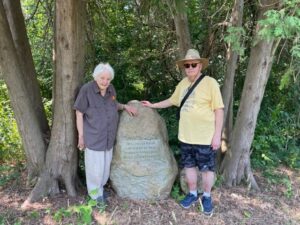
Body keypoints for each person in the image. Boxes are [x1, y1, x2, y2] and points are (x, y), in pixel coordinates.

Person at [141, 49, 224, 216]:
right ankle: (192, 194)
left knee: (207, 169)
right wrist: (152, 105)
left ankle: (207, 196)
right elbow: (172, 100)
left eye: (194, 64)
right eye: (187, 65)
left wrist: (217, 135)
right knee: (189, 167)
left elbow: (219, 110)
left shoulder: (210, 83)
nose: (190, 67)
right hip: (186, 136)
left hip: (205, 138)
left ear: (200, 66)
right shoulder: (183, 84)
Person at [74, 62, 137, 205]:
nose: (105, 81)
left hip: (108, 137)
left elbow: (113, 105)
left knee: (105, 168)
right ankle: (95, 196)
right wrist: (81, 137)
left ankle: (100, 189)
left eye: (108, 79)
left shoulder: (111, 89)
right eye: (102, 78)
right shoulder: (87, 90)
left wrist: (125, 106)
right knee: (94, 169)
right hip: (94, 137)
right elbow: (79, 113)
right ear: (96, 77)